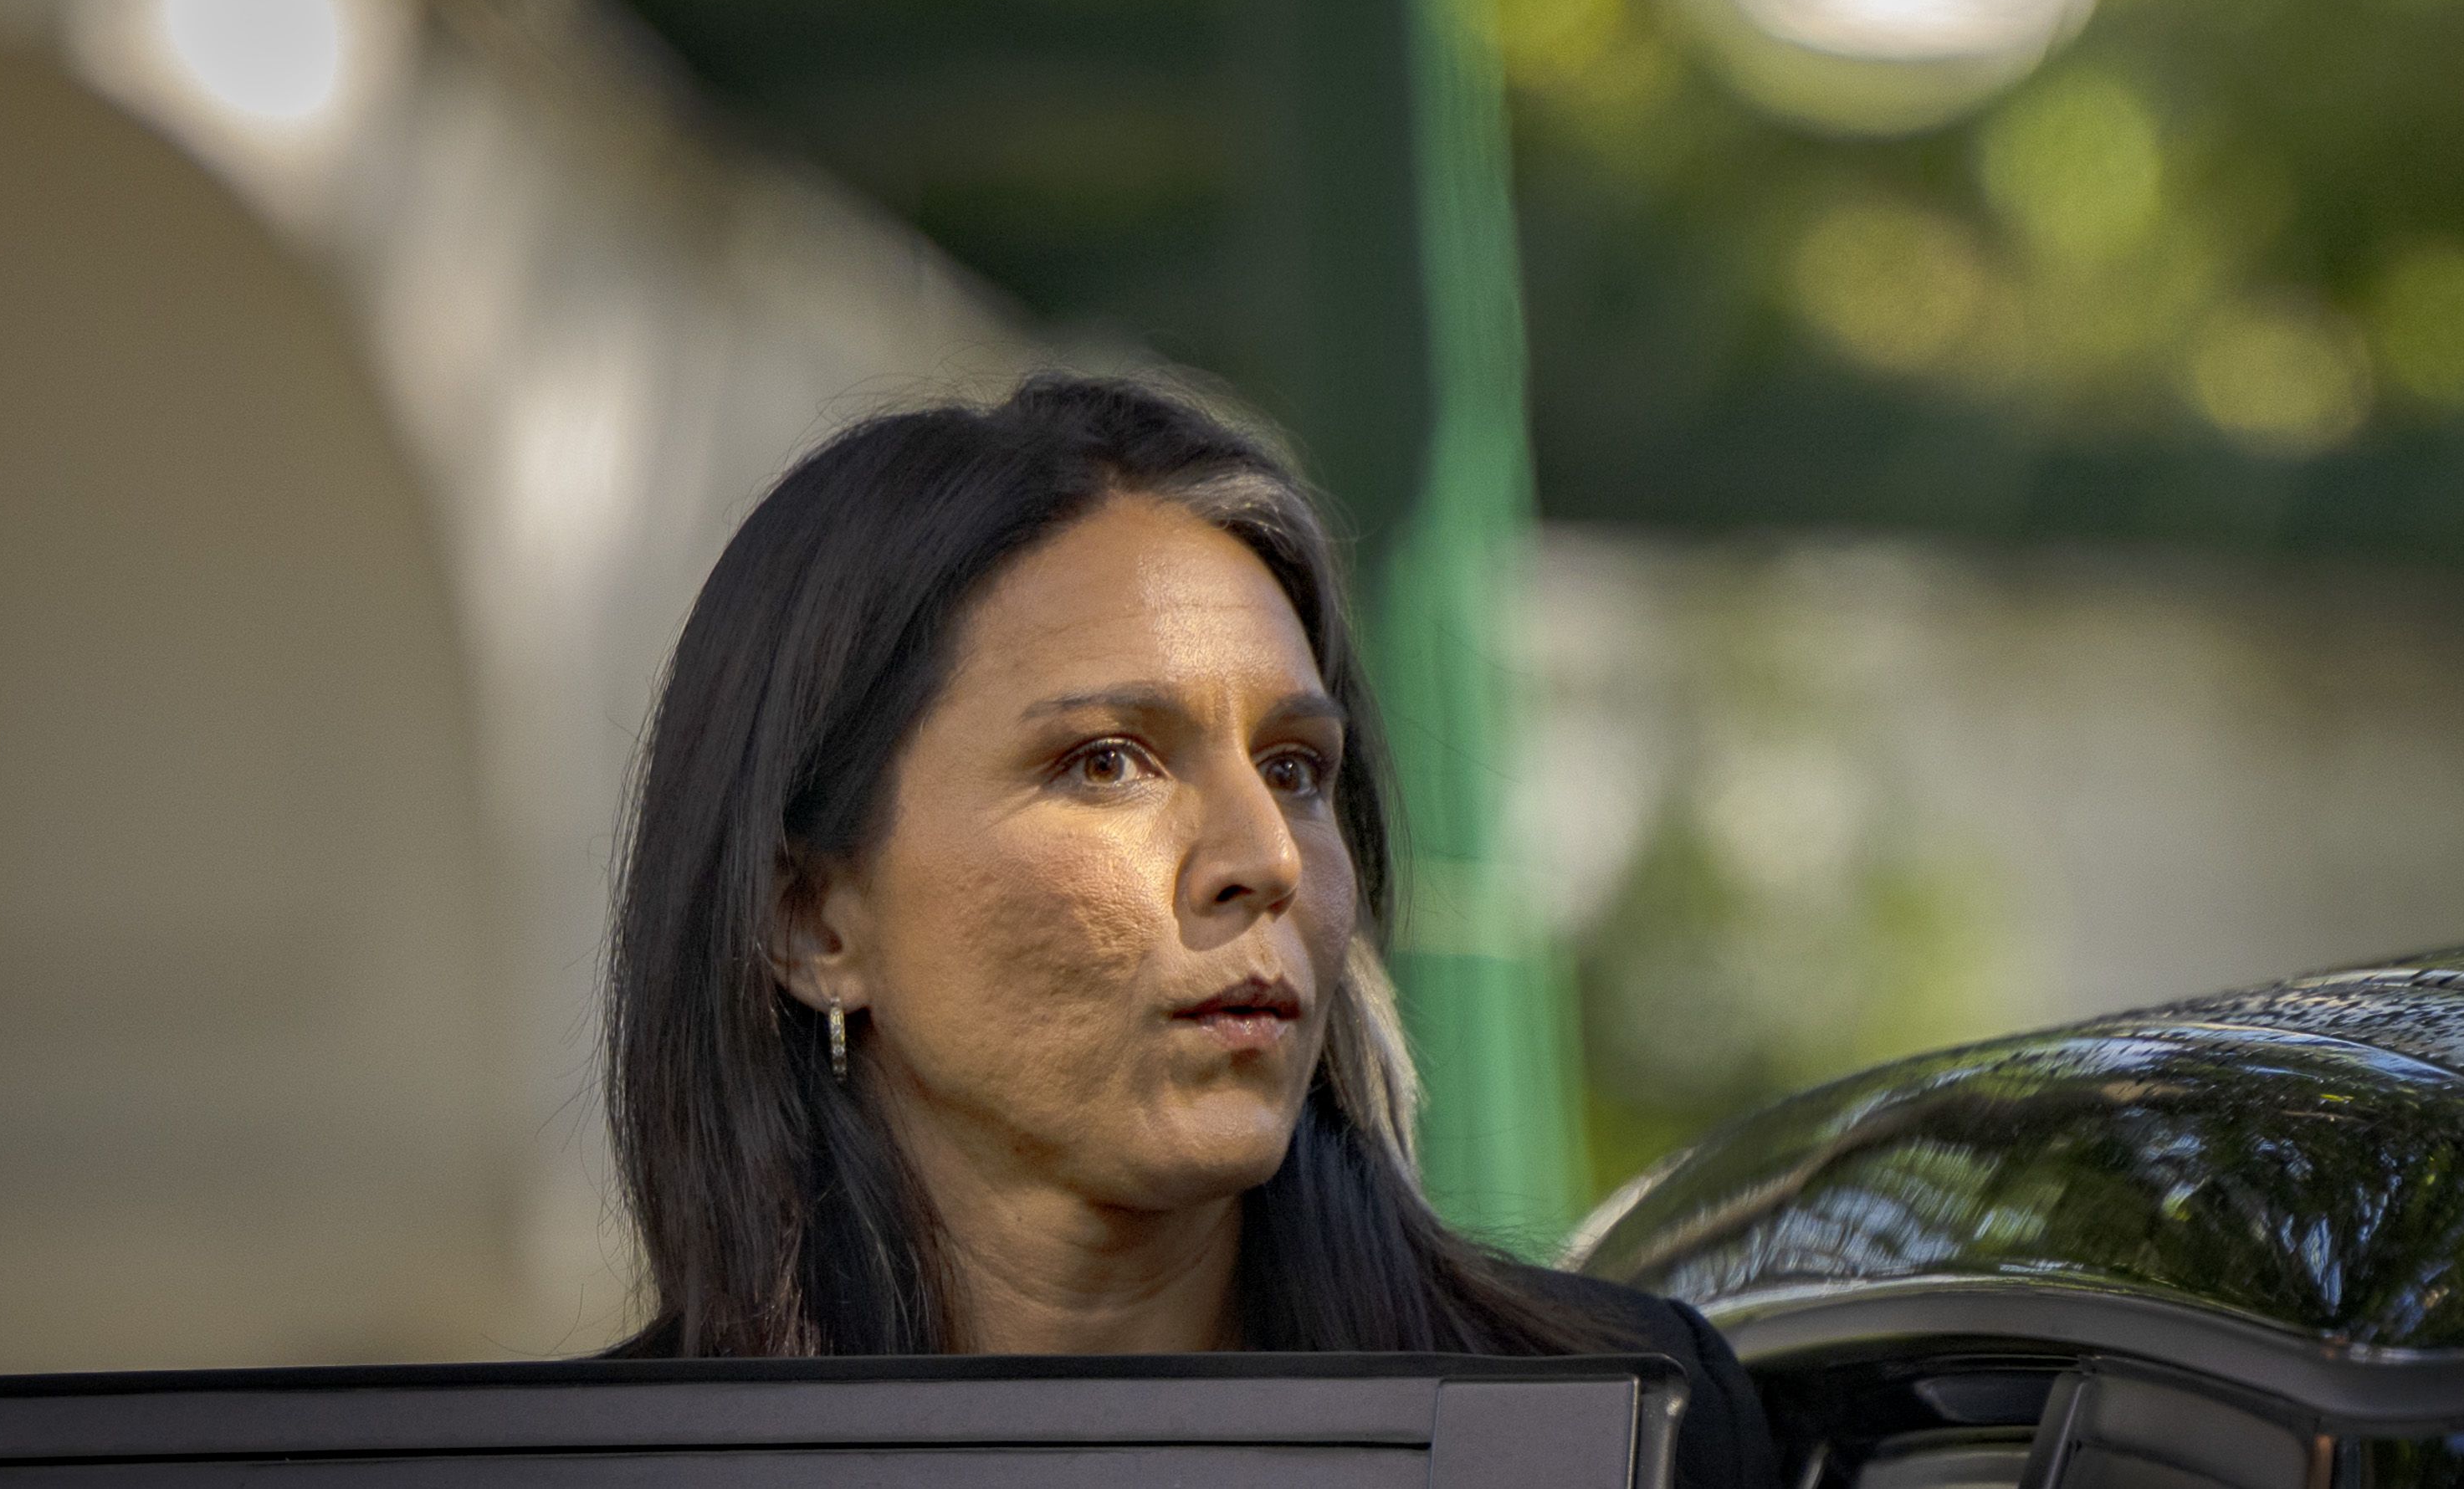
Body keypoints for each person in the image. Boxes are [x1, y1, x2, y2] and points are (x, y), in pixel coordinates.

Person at [602, 371, 1775, 1489]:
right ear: (810, 920)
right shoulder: (575, 1467)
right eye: (1108, 762)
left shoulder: (1620, 1431)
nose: (1267, 858)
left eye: (1295, 769)